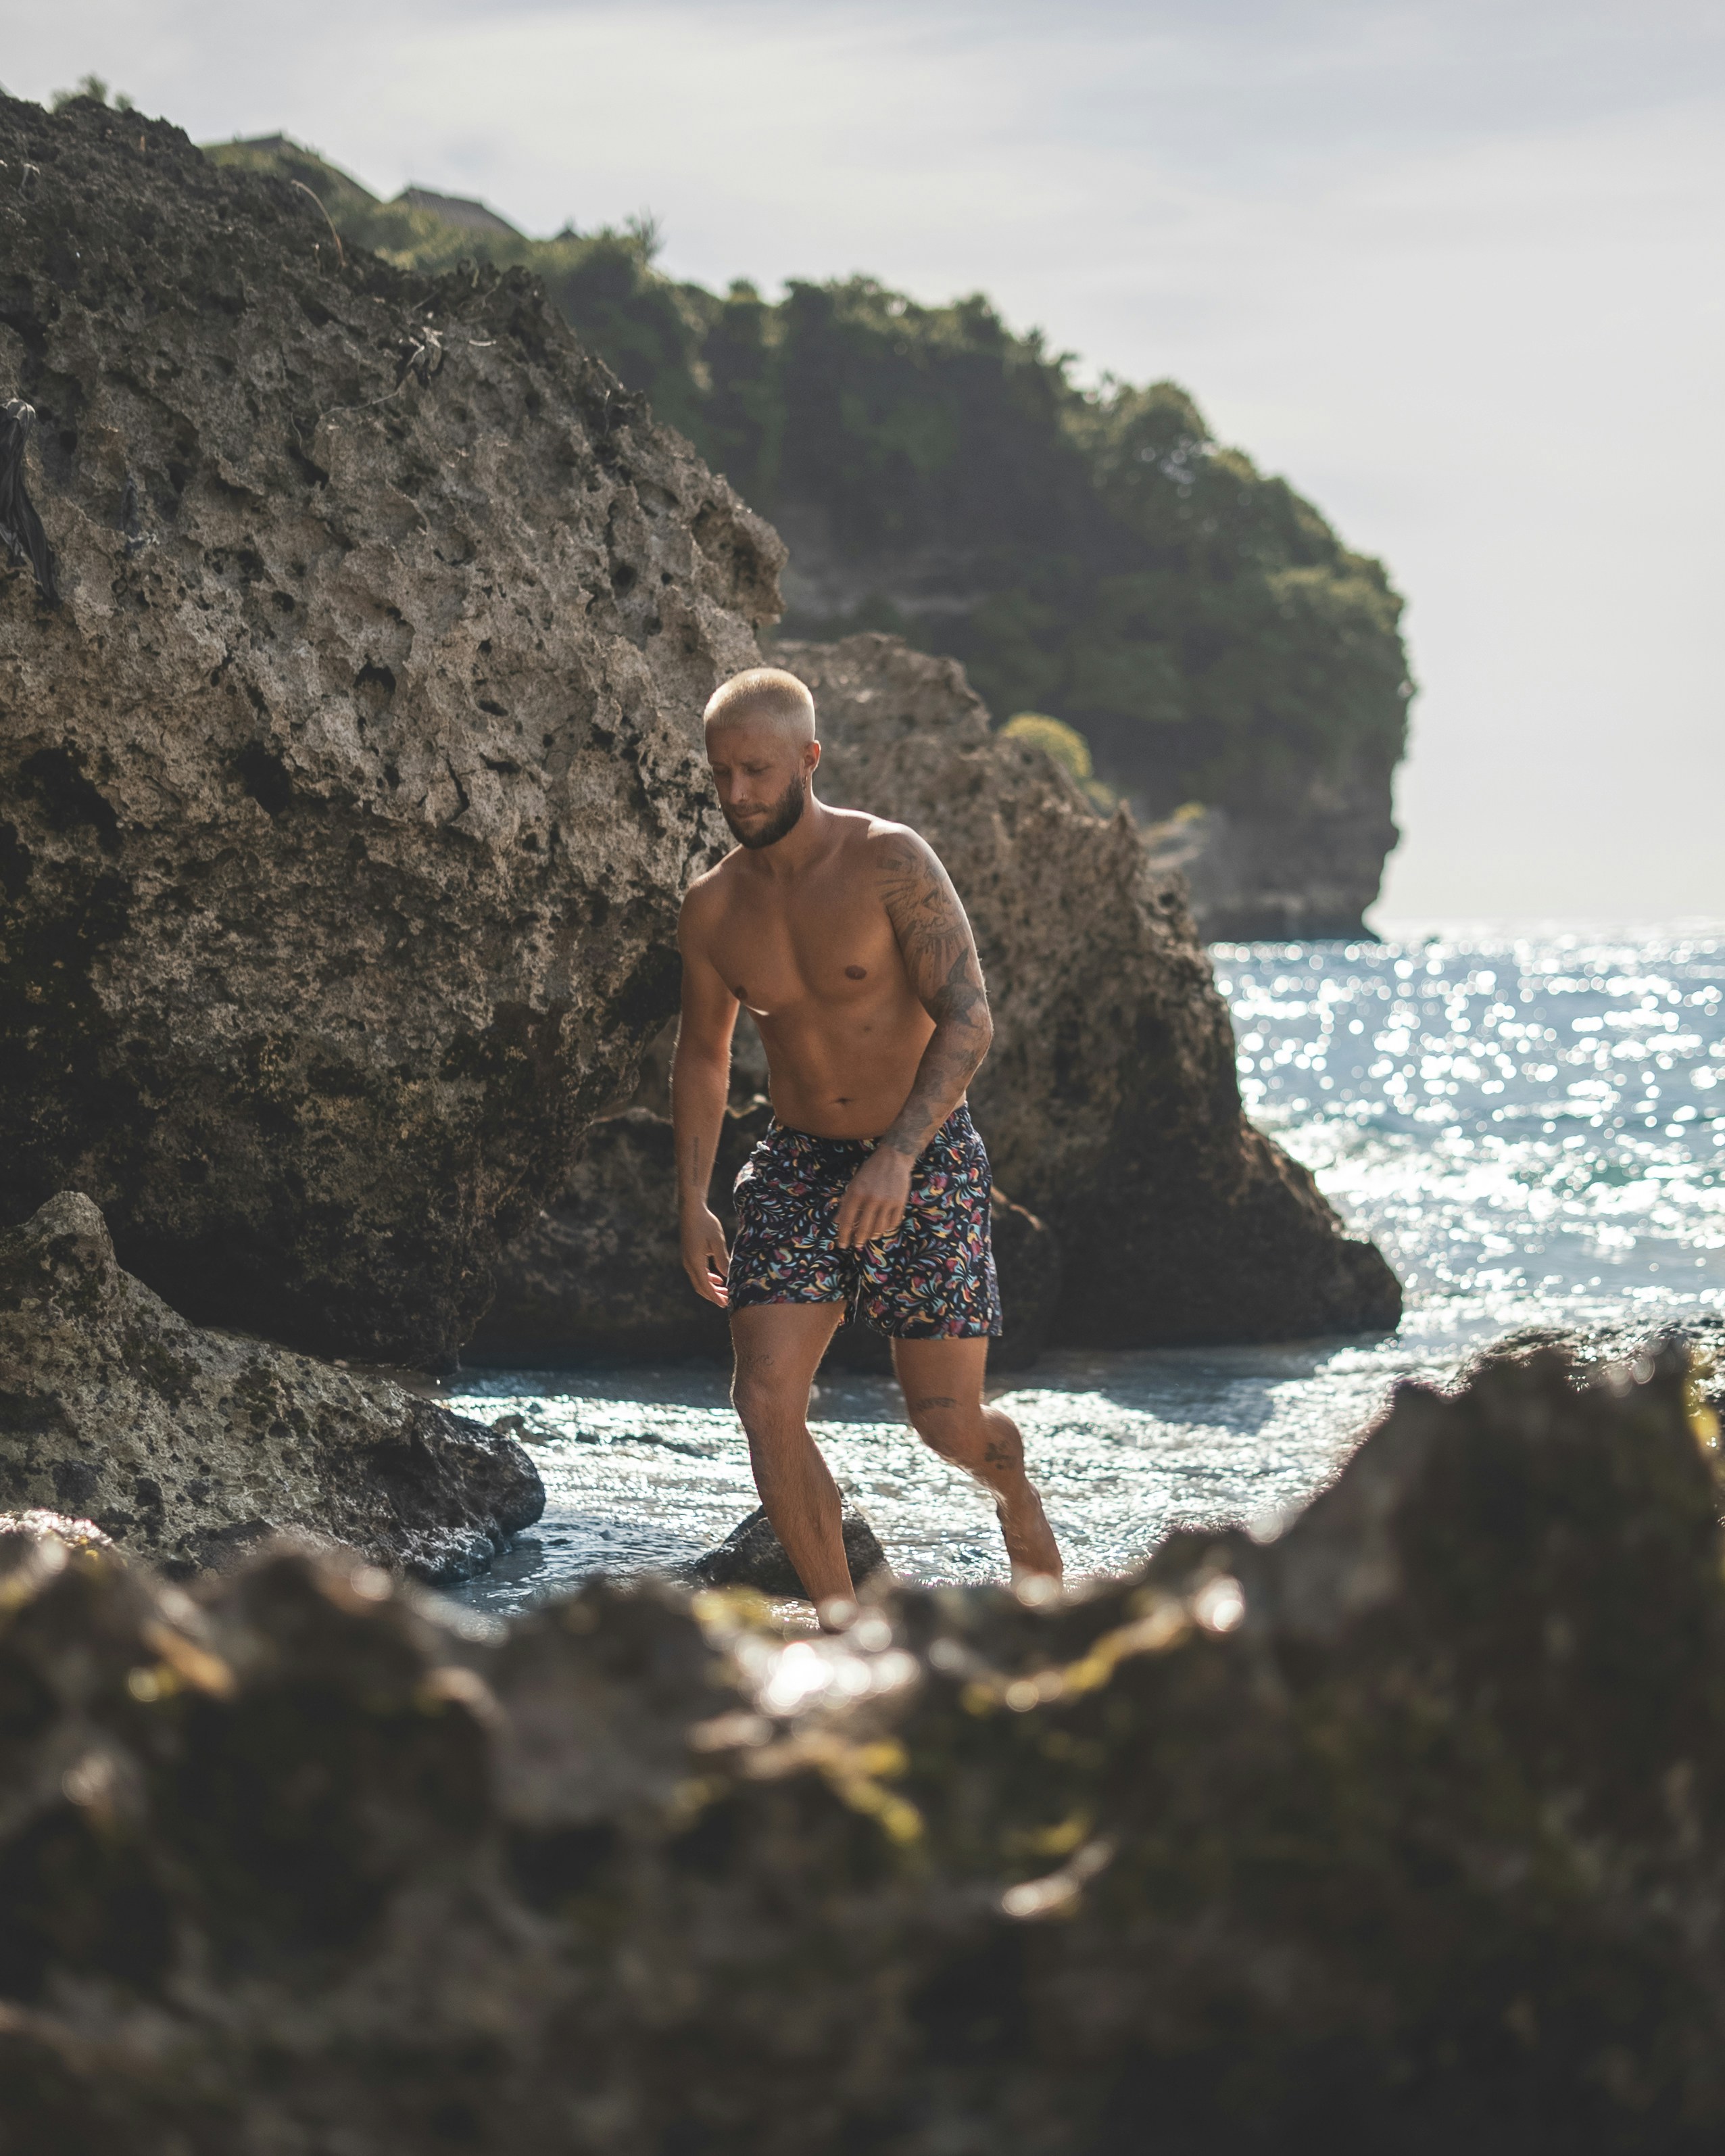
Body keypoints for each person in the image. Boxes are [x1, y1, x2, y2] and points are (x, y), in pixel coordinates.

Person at [673, 665, 1062, 1617]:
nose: (738, 795)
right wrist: (690, 1199)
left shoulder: (893, 862)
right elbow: (704, 1058)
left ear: (809, 758)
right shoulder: (714, 909)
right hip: (800, 1163)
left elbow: (969, 1018)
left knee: (947, 1425)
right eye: (722, 774)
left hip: (922, 1155)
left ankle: (1014, 1496)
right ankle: (847, 1631)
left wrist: (898, 1153)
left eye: (758, 771)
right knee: (764, 1399)